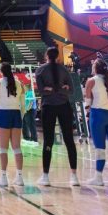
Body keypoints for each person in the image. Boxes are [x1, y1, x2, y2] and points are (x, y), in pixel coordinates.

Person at [34, 47, 79, 187]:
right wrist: (62, 89)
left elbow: (41, 90)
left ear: (46, 56)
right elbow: (71, 90)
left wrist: (49, 90)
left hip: (48, 107)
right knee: (69, 140)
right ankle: (74, 176)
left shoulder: (40, 70)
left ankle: (46, 177)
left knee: (48, 140)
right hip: (64, 106)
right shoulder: (64, 70)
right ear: (58, 56)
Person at [0, 62, 25, 187]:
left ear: (1, 71)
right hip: (16, 114)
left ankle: (3, 178)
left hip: (4, 113)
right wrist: (20, 116)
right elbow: (23, 106)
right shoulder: (19, 83)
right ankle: (20, 177)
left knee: (2, 148)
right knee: (17, 148)